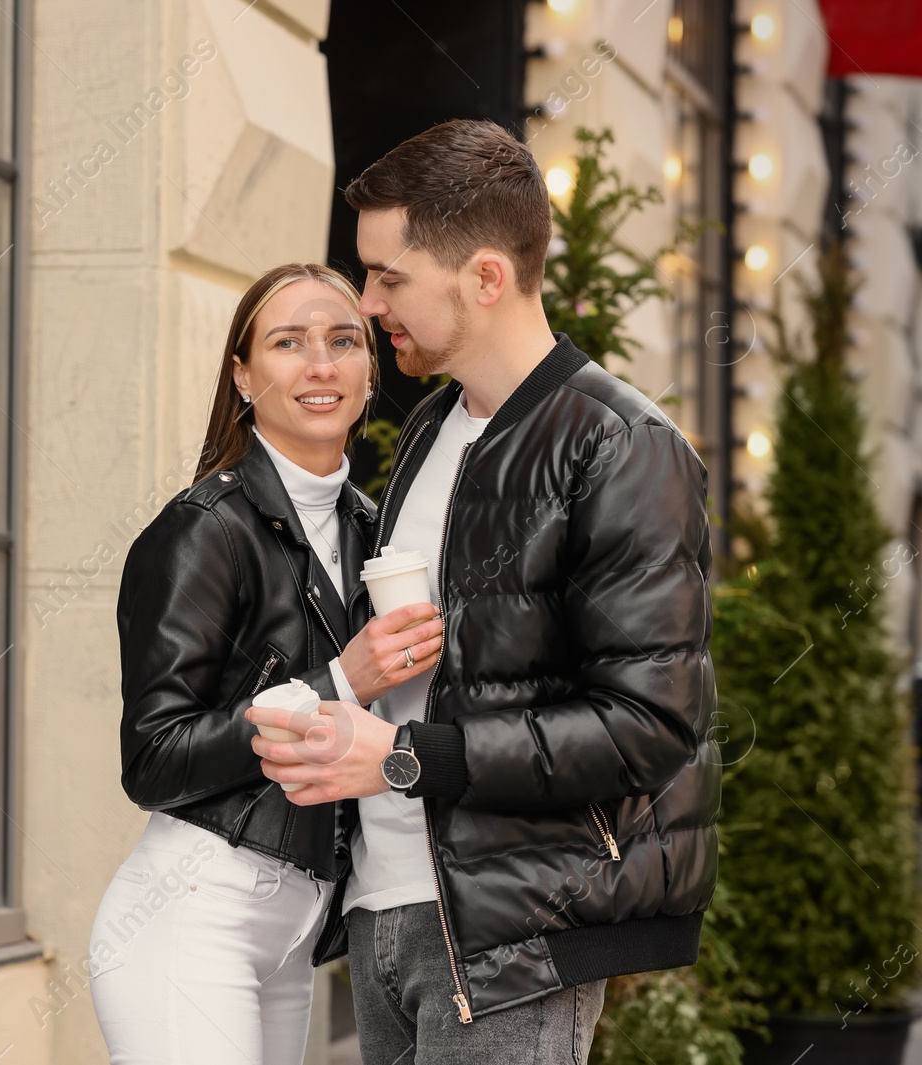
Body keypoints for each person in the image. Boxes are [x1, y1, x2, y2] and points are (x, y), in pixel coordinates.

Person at [246, 119, 720, 1064]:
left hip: (517, 934)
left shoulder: (622, 445)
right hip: (386, 910)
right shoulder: (428, 430)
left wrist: (406, 757)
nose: (369, 299)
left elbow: (648, 727)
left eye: (390, 276)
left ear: (487, 277)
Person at [91, 263, 445, 1064]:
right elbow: (152, 758)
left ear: (366, 372)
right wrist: (340, 682)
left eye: (342, 341)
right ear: (244, 375)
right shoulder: (201, 530)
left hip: (294, 934)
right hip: (191, 918)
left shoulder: (371, 532)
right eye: (289, 342)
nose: (320, 365)